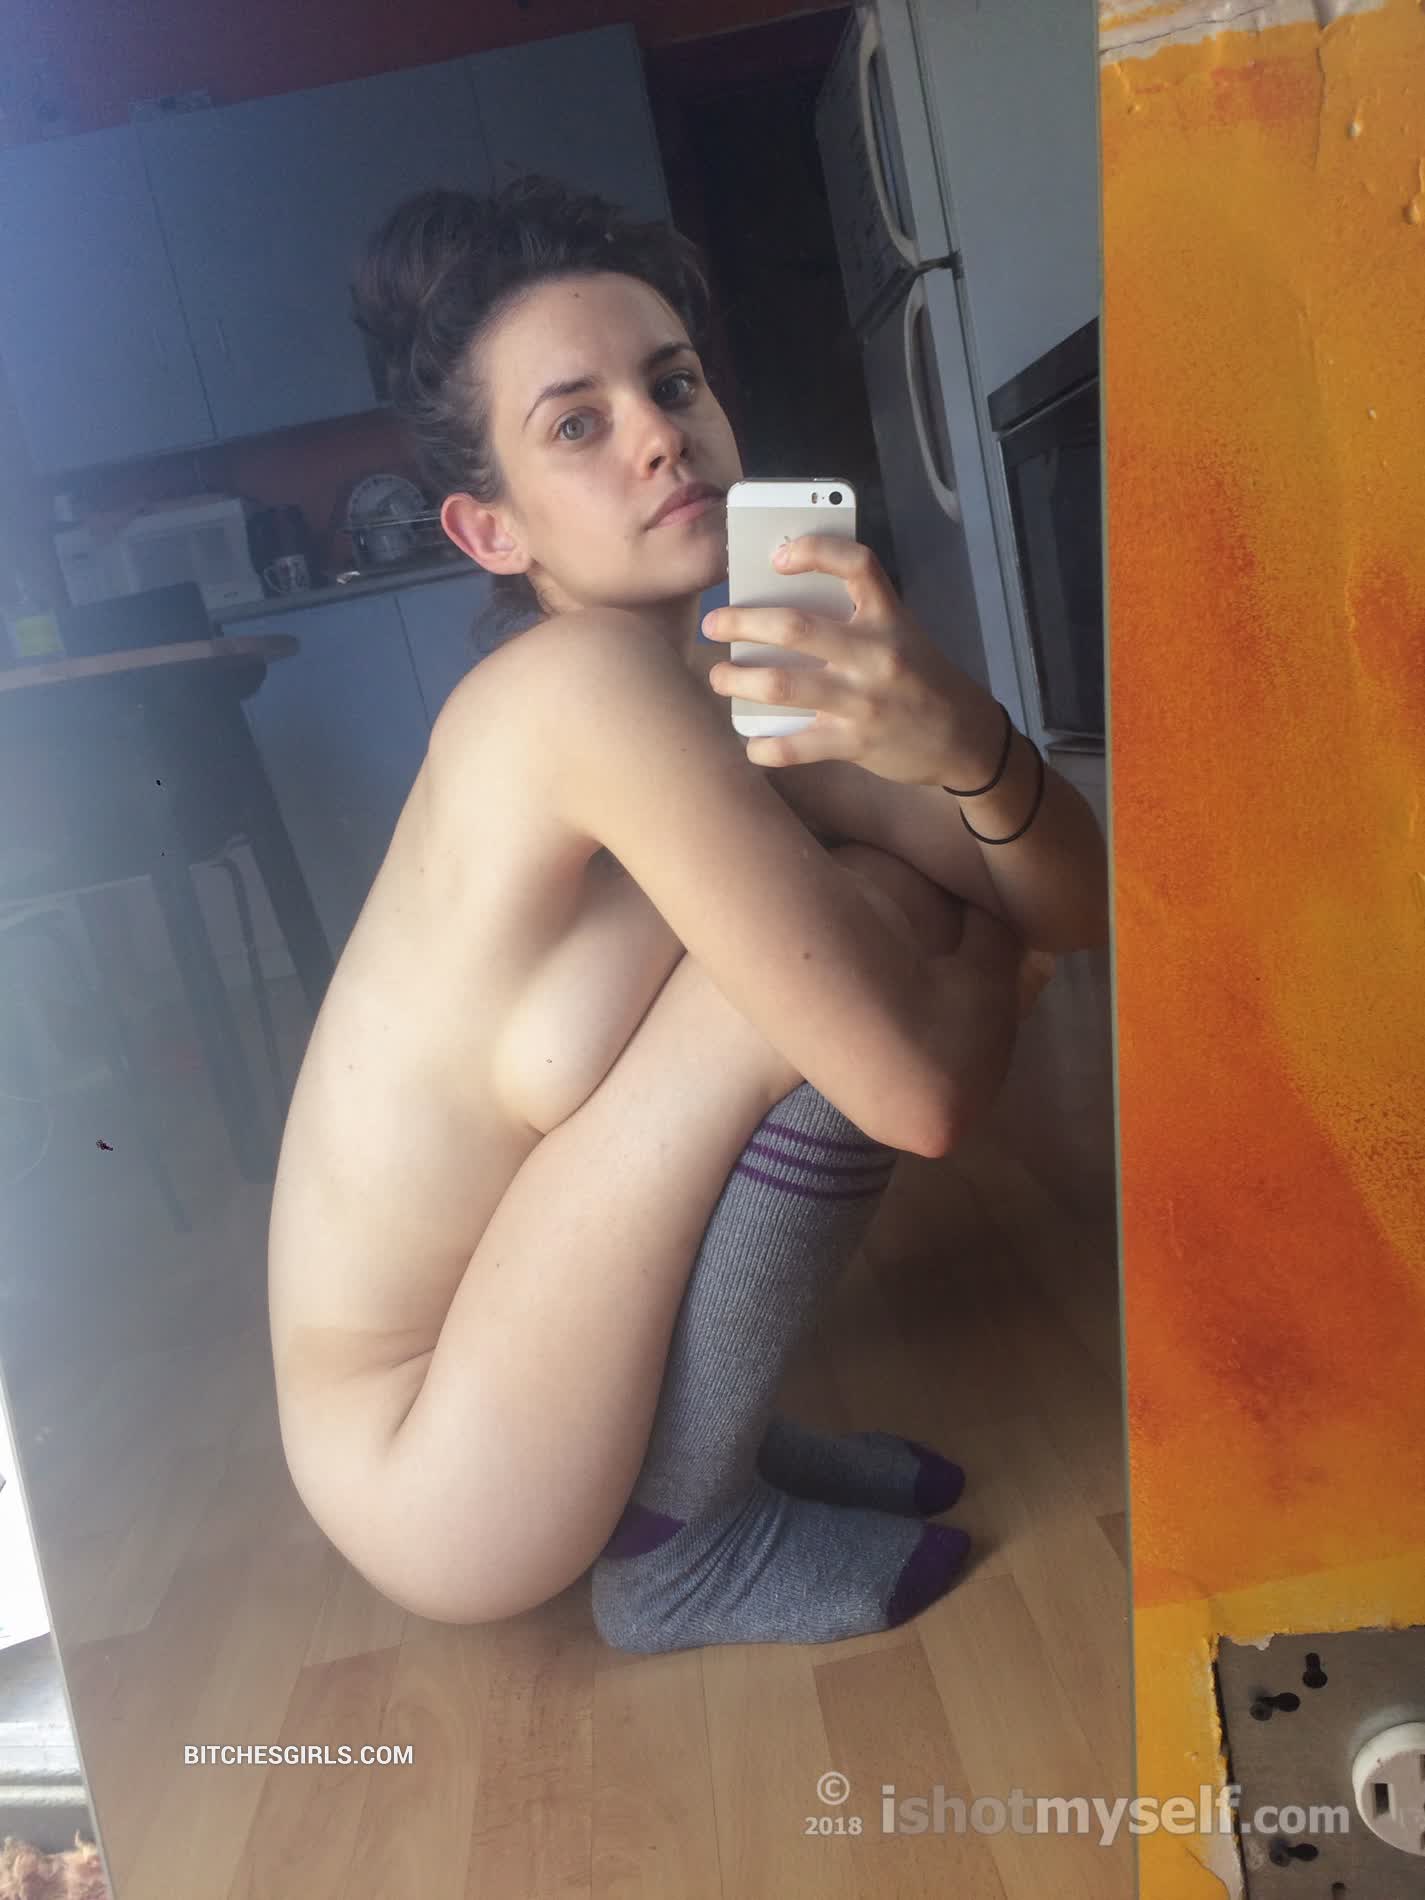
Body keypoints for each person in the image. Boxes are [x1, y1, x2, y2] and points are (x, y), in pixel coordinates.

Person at [266, 175, 1108, 1654]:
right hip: (437, 1467)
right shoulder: (572, 691)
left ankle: (694, 1449)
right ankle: (677, 1544)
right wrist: (982, 953)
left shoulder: (733, 691)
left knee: (850, 920)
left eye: (671, 383)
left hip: (543, 1386)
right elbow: (916, 1094)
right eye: (575, 424)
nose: (658, 434)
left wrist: (957, 736)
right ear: (489, 530)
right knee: (838, 936)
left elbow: (1079, 903)